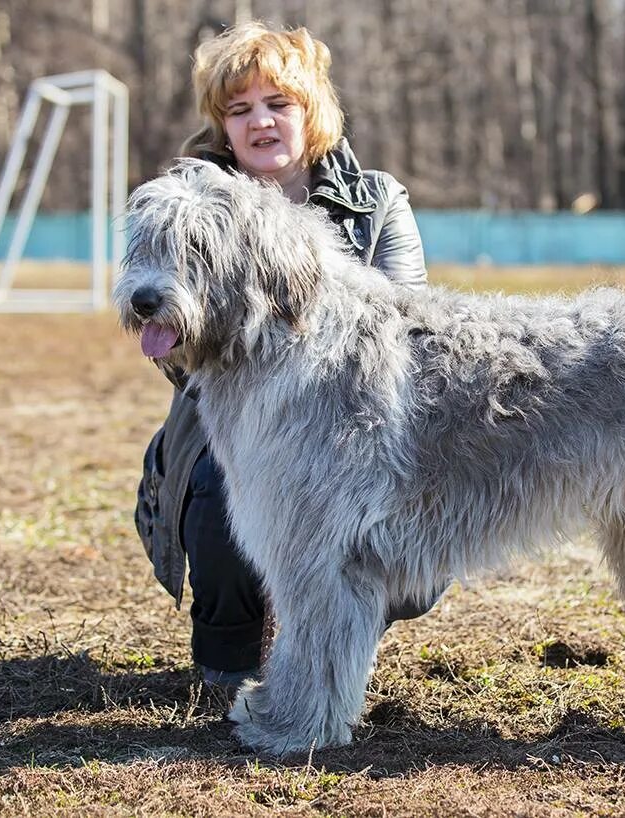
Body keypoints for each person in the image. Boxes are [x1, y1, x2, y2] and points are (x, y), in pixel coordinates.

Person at [133, 22, 442, 696]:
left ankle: (330, 649)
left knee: (368, 522)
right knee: (223, 505)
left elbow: (406, 328)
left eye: (278, 103)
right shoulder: (187, 206)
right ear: (222, 126)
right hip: (231, 433)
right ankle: (230, 664)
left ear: (313, 111)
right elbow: (175, 356)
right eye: (239, 110)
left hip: (356, 426)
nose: (260, 122)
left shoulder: (377, 201)